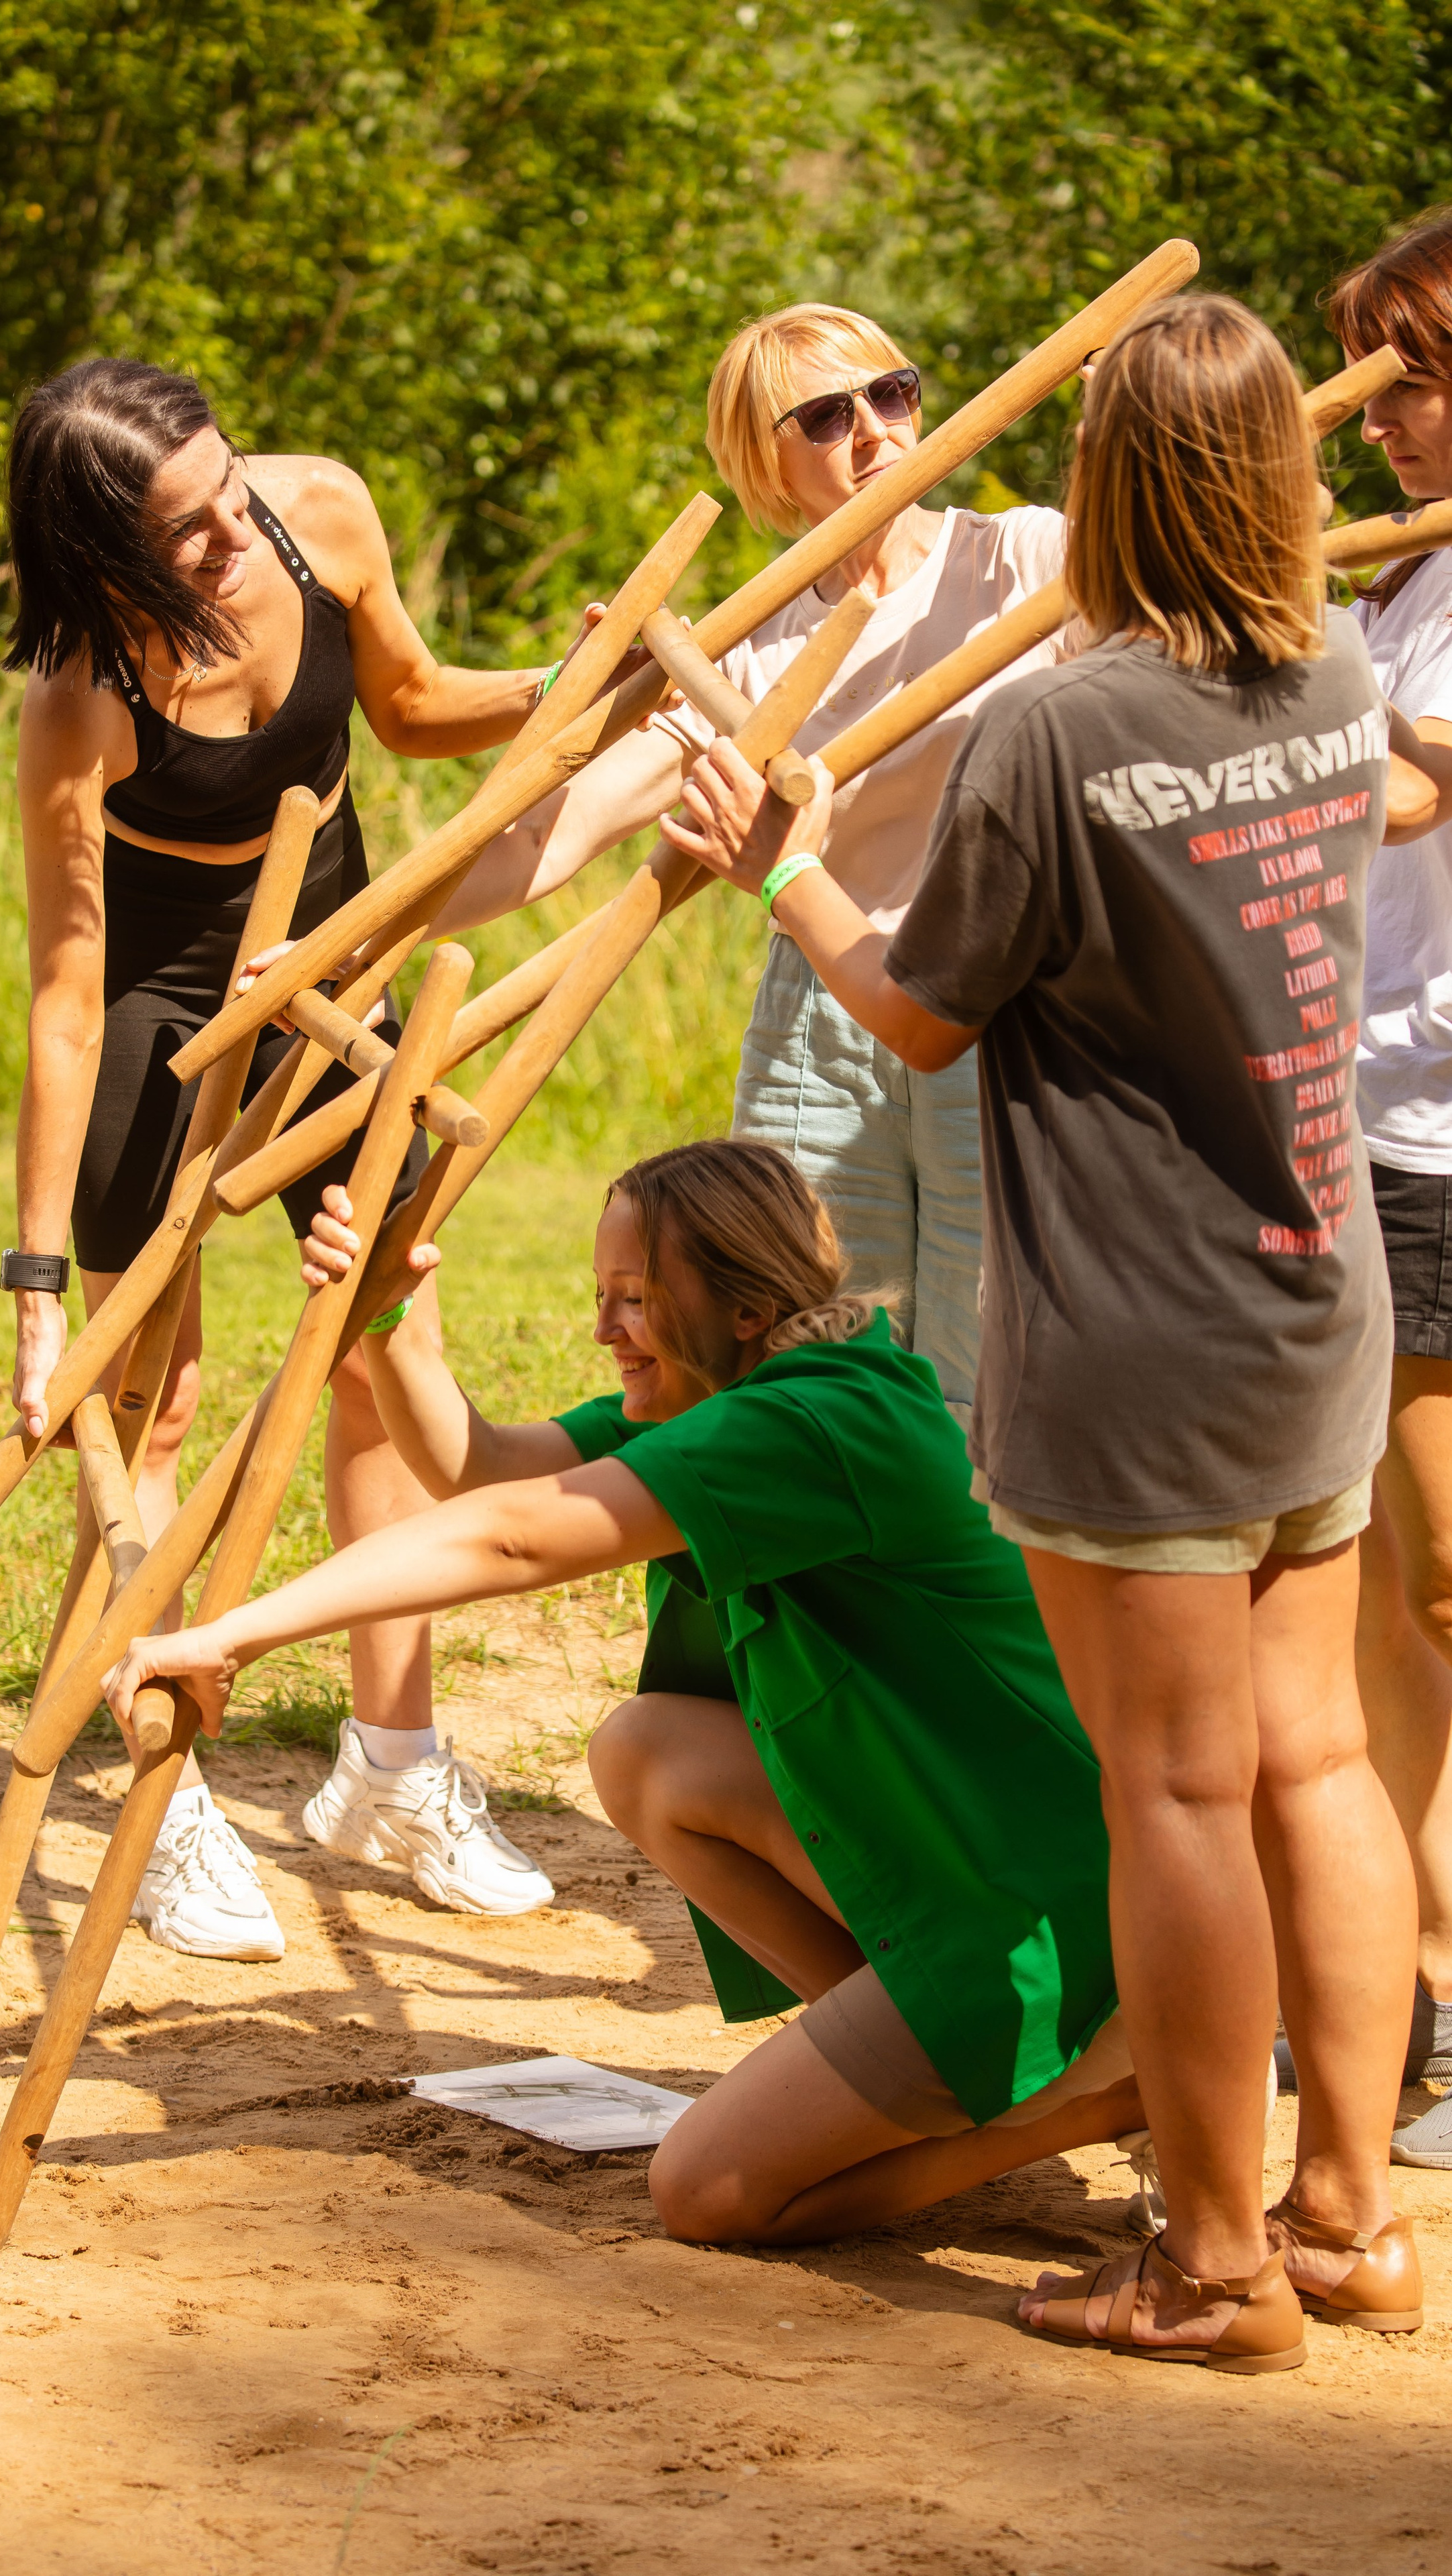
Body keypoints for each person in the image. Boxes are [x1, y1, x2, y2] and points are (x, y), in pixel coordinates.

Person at [671, 295, 1431, 2361]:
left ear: (1109, 482)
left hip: (1140, 1337)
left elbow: (918, 1006)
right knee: (1317, 1760)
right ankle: (1354, 2219)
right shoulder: (1340, 669)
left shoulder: (1067, 727)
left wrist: (786, 870)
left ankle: (1211, 2265)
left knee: (1170, 1801)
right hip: (1317, 1292)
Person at [103, 1137, 1169, 2254]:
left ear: (748, 1307)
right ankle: (939, 2047)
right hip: (983, 1856)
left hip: (1035, 1908)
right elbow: (484, 1468)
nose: (606, 1328)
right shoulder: (738, 1395)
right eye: (602, 1296)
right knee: (646, 1752)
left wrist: (233, 1632)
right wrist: (391, 1322)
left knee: (705, 2193)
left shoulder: (812, 1425)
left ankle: (1080, 2101)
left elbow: (514, 1537)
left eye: (637, 1299)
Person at [3, 358, 566, 1951]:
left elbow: (410, 704)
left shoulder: (316, 514)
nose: (230, 541)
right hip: (161, 1001)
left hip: (344, 958)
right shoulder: (79, 696)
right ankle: (164, 1795)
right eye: (183, 535)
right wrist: (38, 1279)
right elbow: (62, 991)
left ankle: (390, 1768)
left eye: (229, 492)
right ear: (105, 554)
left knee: (379, 1346)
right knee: (151, 1405)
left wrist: (556, 684)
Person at [436, 304, 1066, 1424]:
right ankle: (823, 1596)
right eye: (826, 415)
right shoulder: (746, 646)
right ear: (765, 463)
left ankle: (980, 1598)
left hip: (996, 1005)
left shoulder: (1025, 560)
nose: (874, 428)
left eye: (894, 392)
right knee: (805, 1347)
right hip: (824, 1017)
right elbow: (546, 842)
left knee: (1000, 1357)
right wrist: (353, 938)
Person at [1327, 213, 1452, 2167]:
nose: (1394, 417)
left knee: (1443, 1571)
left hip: (1445, 1137)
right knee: (1365, 1585)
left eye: (1418, 370)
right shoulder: (1387, 577)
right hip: (1347, 1116)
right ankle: (1408, 1984)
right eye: (1374, 377)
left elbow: (1414, 789)